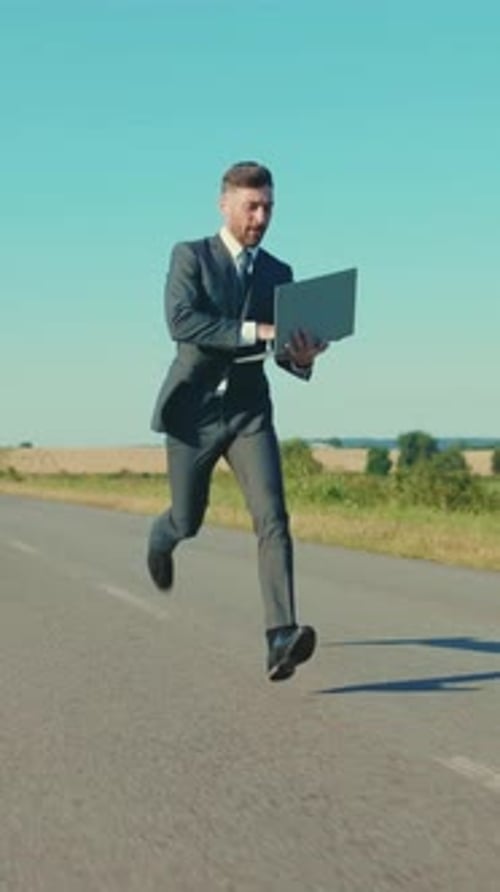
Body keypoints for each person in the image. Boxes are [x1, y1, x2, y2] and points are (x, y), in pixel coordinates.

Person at [148, 161, 327, 681]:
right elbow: (182, 322)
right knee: (189, 518)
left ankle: (280, 636)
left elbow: (286, 355)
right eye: (252, 205)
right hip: (194, 412)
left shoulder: (278, 272)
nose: (261, 216)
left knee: (273, 517)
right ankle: (163, 537)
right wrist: (259, 329)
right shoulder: (190, 257)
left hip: (250, 412)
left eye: (269, 205)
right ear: (224, 205)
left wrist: (305, 355)